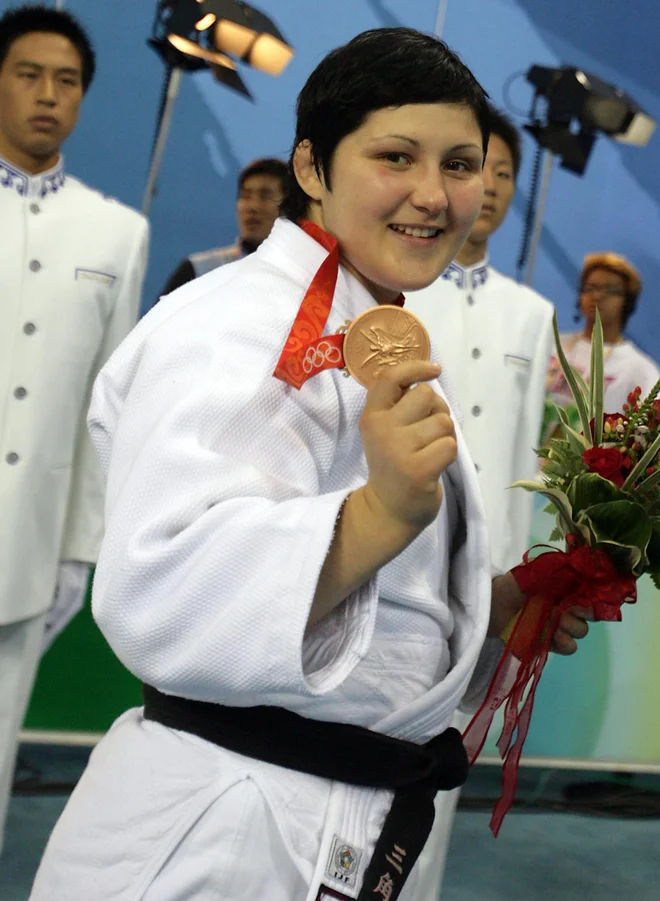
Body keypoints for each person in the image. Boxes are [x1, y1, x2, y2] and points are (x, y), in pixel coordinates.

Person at [30, 28, 587, 901]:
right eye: (396, 156)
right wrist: (374, 519)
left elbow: (376, 618)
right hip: (215, 830)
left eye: (461, 163)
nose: (434, 195)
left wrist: (485, 608)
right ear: (313, 167)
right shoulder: (228, 323)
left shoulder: (371, 313)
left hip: (319, 817)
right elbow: (155, 589)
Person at [0, 3, 148, 853]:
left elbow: (105, 404)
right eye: (28, 74)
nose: (48, 95)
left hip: (26, 551)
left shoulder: (117, 232)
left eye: (66, 81)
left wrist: (78, 552)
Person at [406, 107, 555, 901]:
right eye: (477, 167)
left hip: (486, 581)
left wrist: (523, 585)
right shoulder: (395, 295)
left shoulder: (531, 315)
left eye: (503, 173)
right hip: (394, 561)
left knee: (441, 772)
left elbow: (530, 454)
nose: (489, 187)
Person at [544, 252, 659, 441]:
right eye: (589, 288)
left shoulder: (640, 370)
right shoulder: (552, 345)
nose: (597, 296)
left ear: (627, 302)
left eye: (610, 290)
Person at [159, 156, 287, 295]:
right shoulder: (198, 271)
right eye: (246, 196)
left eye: (265, 196)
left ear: (290, 208)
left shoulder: (304, 278)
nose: (253, 207)